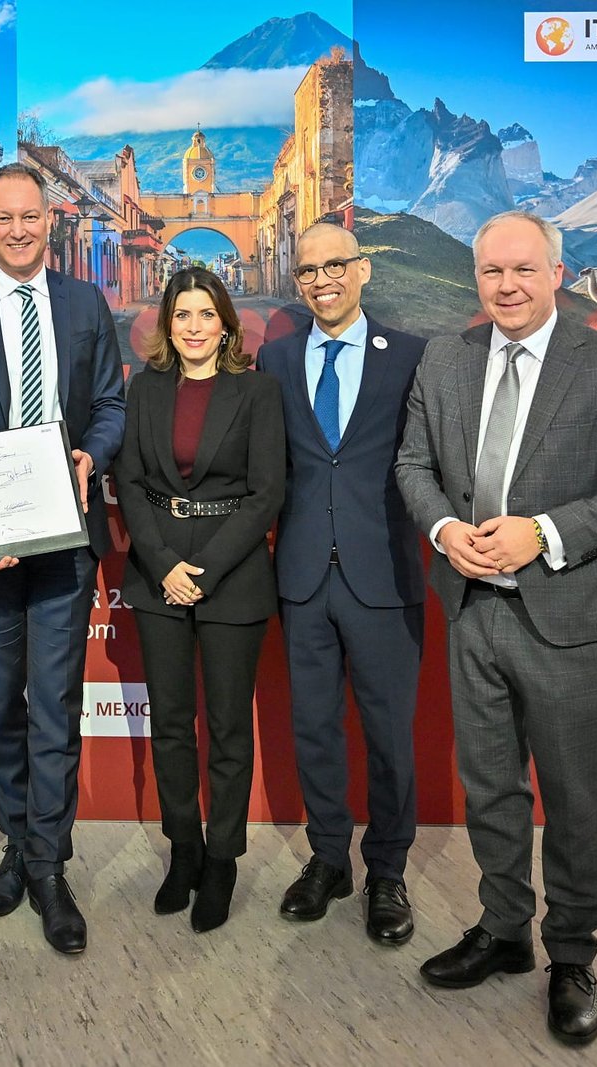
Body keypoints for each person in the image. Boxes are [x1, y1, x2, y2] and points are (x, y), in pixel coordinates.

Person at [395, 210, 597, 1045]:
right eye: (491, 272)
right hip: (475, 609)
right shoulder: (446, 357)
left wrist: (540, 534)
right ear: (474, 278)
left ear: (557, 271)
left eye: (523, 269)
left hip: (576, 617)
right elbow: (413, 464)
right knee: (491, 785)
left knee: (574, 798)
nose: (507, 286)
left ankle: (573, 953)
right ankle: (506, 927)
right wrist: (447, 532)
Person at [0, 162, 126, 954]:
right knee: (1, 703)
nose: (16, 229)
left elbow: (109, 405)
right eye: (2, 217)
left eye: (29, 217)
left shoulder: (85, 304)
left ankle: (47, 864)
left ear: (50, 222)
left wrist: (89, 460)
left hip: (67, 538)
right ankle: (21, 842)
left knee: (57, 705)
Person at [255, 222, 426, 945]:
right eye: (307, 270)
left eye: (335, 266)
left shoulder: (412, 357)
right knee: (314, 728)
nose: (321, 280)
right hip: (301, 575)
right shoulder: (276, 358)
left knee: (389, 735)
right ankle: (329, 858)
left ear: (362, 271)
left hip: (382, 572)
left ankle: (387, 869)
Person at [114, 267, 284, 933]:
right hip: (159, 576)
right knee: (171, 723)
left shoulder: (257, 391)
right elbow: (129, 479)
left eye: (204, 314)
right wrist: (163, 564)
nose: (191, 326)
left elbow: (267, 491)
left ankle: (223, 857)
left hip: (232, 575)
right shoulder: (145, 388)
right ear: (166, 323)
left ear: (225, 323)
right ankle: (183, 848)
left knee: (228, 729)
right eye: (180, 314)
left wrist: (205, 567)